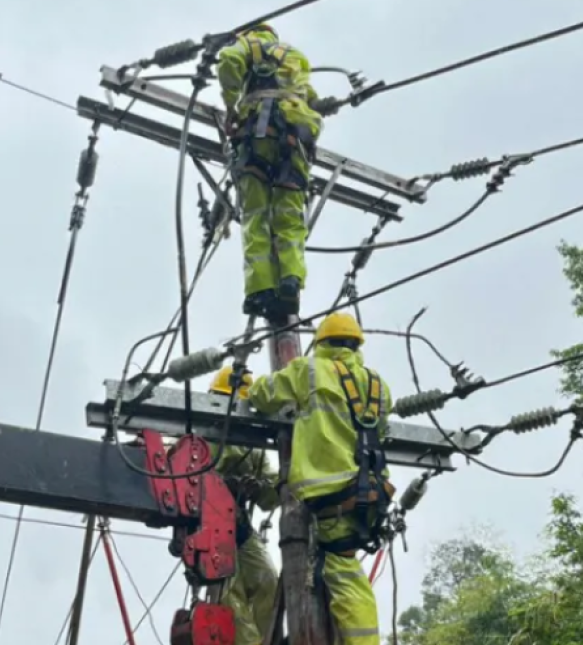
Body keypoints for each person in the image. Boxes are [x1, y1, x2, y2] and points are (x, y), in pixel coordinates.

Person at [247, 312, 393, 645]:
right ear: (356, 345)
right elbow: (381, 431)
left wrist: (248, 388)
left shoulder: (308, 370)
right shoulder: (378, 385)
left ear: (322, 343)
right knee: (337, 567)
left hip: (333, 494)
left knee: (343, 574)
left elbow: (263, 395)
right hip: (373, 494)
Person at [216, 23, 323, 323]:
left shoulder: (250, 45)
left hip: (258, 134)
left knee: (256, 214)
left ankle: (260, 289)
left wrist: (231, 106)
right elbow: (311, 98)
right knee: (289, 216)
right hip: (295, 138)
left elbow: (228, 60)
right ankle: (290, 280)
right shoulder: (295, 56)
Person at [207, 365, 281, 645]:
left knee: (269, 581)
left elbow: (270, 497)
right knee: (229, 597)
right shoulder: (204, 436)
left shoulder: (252, 447)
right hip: (209, 530)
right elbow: (191, 481)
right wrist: (227, 485)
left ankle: (270, 639)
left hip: (239, 529)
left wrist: (263, 487)